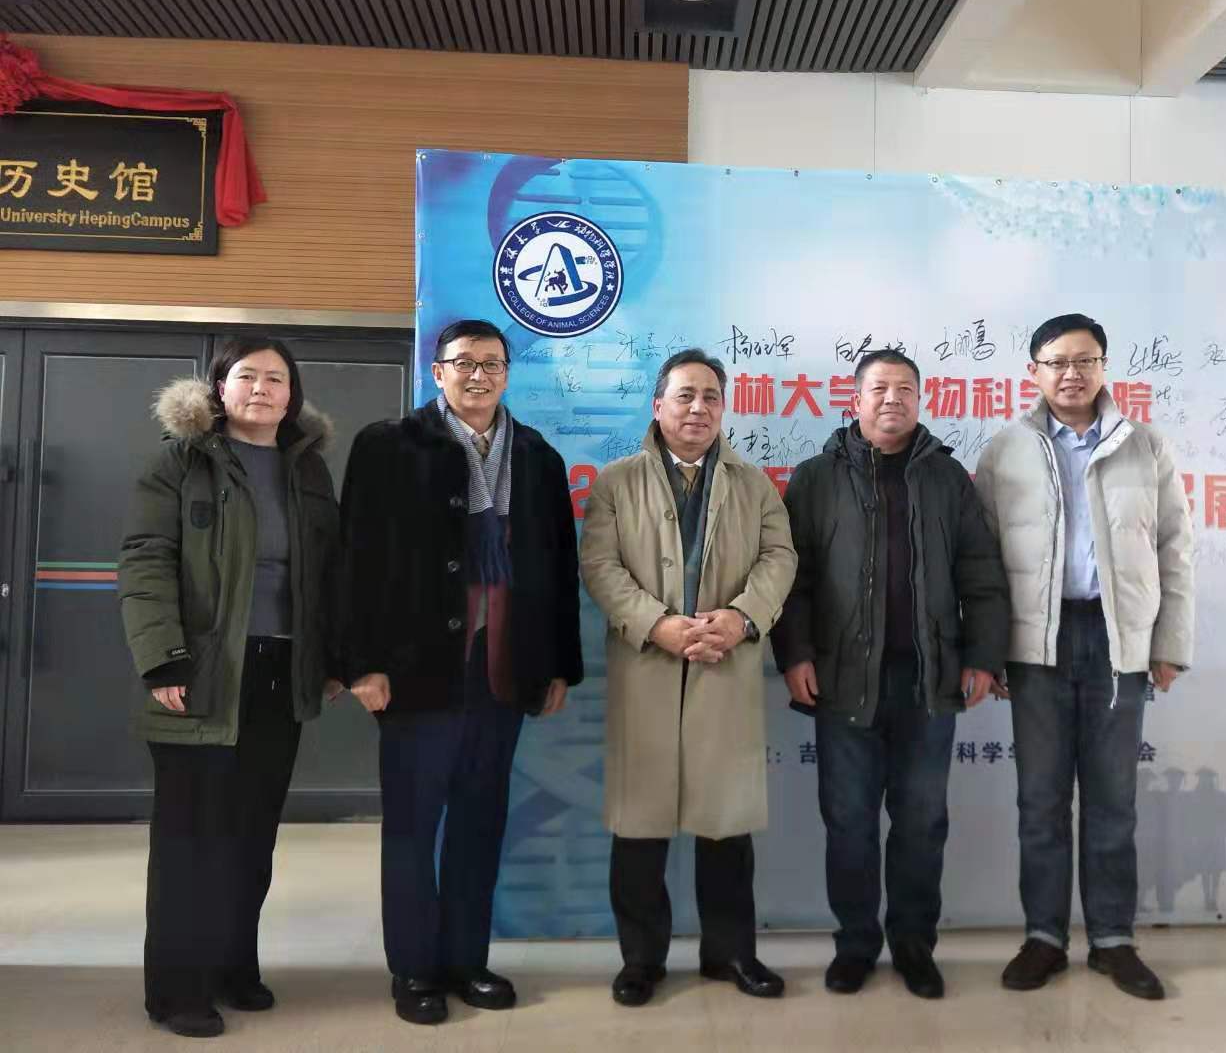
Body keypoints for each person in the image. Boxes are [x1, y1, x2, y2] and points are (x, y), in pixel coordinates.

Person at [336, 318, 582, 1025]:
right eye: (465, 362)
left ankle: (467, 960)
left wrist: (557, 666)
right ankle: (415, 970)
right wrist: (361, 665)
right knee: (413, 829)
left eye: (492, 364)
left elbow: (557, 569)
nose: (479, 375)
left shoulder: (536, 456)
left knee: (480, 823)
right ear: (437, 371)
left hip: (504, 671)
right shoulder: (388, 446)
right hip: (415, 672)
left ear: (508, 374)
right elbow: (354, 561)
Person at [119, 336, 340, 1039]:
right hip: (202, 671)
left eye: (277, 378)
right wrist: (163, 660)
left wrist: (334, 656)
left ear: (292, 395)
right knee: (191, 838)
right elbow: (146, 560)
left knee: (251, 834)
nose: (262, 388)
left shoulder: (307, 469)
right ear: (220, 387)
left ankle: (232, 965)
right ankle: (176, 990)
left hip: (281, 672)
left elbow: (328, 574)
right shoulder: (181, 461)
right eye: (247, 376)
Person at [770, 348, 1009, 998]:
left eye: (905, 388)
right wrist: (795, 655)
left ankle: (913, 945)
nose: (892, 399)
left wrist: (983, 657)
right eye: (879, 388)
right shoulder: (816, 478)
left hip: (927, 681)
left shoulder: (947, 479)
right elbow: (792, 579)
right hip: (842, 679)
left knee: (922, 821)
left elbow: (980, 574)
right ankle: (855, 945)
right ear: (855, 400)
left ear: (920, 400)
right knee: (848, 821)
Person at [976, 313, 1195, 1001]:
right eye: (1057, 362)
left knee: (1112, 800)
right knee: (1040, 801)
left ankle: (1112, 941)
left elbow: (1175, 551)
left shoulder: (1145, 446)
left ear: (1104, 367)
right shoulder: (1004, 450)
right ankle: (1044, 938)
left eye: (1085, 360)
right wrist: (991, 650)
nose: (1071, 374)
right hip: (1035, 643)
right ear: (1033, 372)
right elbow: (980, 563)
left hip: (1117, 641)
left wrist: (1168, 645)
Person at [579, 348, 797, 1008]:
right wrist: (656, 624)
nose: (698, 408)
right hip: (647, 666)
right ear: (657, 405)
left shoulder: (754, 484)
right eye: (684, 395)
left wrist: (741, 618)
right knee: (639, 829)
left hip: (724, 666)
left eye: (710, 397)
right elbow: (600, 565)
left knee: (725, 825)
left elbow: (779, 557)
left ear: (723, 409)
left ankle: (731, 954)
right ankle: (641, 961)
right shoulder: (617, 481)